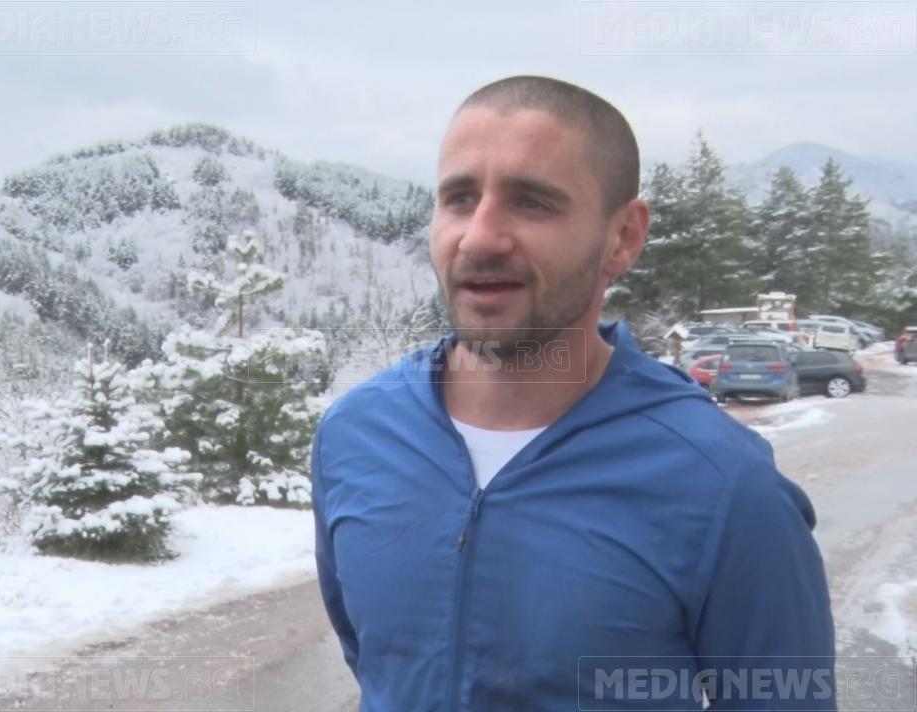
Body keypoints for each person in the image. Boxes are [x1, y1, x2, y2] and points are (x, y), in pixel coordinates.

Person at [310, 76, 835, 711]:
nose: (479, 237)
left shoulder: (725, 487)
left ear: (624, 237)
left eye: (532, 203)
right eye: (459, 198)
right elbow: (378, 672)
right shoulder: (355, 436)